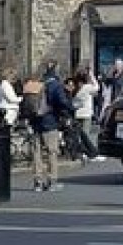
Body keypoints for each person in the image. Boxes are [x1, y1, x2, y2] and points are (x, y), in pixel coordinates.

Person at [23, 62, 75, 192]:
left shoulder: (36, 84)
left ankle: (38, 182)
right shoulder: (55, 86)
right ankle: (52, 181)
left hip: (35, 122)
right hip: (50, 121)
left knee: (37, 152)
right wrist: (71, 109)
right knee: (52, 152)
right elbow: (62, 102)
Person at [71, 69, 100, 161]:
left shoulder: (75, 88)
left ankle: (80, 151)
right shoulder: (87, 87)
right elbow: (97, 87)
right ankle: (87, 152)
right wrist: (92, 76)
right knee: (85, 134)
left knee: (78, 134)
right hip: (86, 113)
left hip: (77, 113)